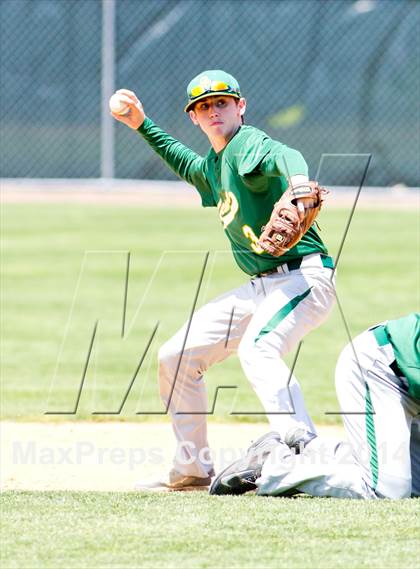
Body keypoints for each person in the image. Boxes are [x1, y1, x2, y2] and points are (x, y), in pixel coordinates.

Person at [111, 70, 336, 491]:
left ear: (240, 107)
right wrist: (142, 124)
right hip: (262, 288)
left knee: (259, 348)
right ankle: (193, 468)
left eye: (221, 103)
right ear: (194, 118)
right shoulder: (216, 164)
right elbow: (187, 162)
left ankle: (306, 454)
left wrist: (301, 186)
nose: (213, 111)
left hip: (304, 278)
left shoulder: (246, 143)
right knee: (175, 356)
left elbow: (283, 154)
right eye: (203, 107)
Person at [210, 313, 420, 499]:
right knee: (387, 490)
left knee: (414, 485)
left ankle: (310, 449)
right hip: (381, 368)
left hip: (407, 378)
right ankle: (271, 465)